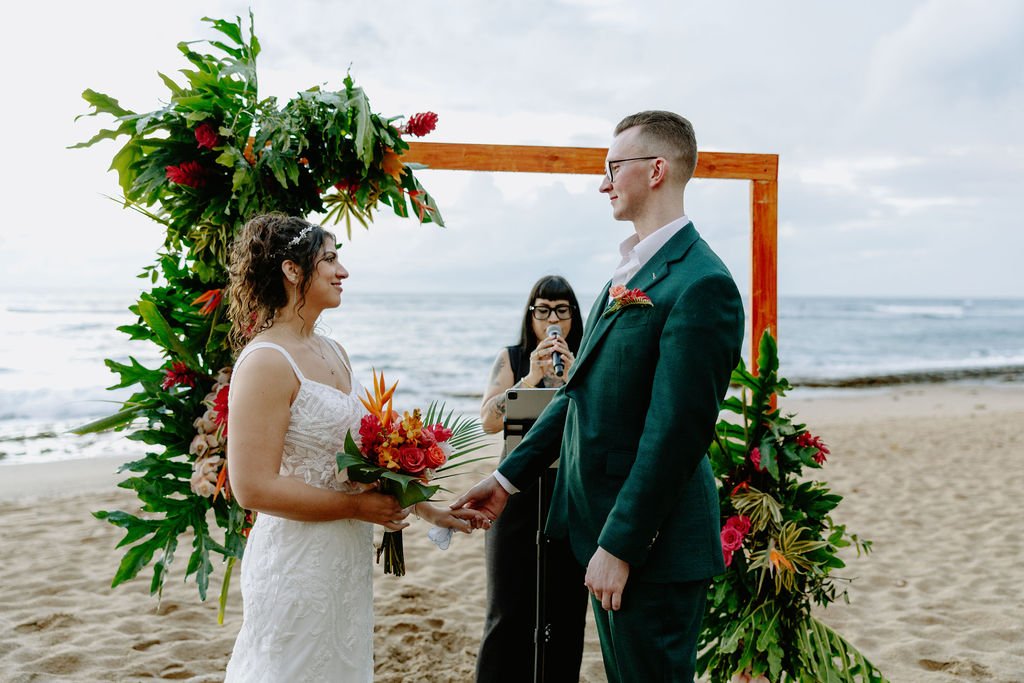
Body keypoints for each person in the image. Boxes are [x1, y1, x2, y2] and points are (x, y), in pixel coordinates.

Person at [453, 111, 745, 682]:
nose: (603, 182)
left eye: (613, 166)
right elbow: (577, 397)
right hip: (601, 536)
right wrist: (508, 478)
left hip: (646, 552)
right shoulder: (630, 272)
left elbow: (676, 434)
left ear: (656, 170)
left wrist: (621, 546)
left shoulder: (701, 284)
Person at [222, 213, 486, 682]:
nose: (342, 271)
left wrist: (429, 509)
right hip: (296, 557)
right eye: (329, 259)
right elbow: (253, 487)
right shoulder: (266, 361)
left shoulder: (333, 350)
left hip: (344, 555)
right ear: (291, 271)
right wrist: (357, 507)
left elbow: (368, 458)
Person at [476, 275, 588, 683]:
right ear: (531, 315)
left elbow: (606, 417)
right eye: (543, 310)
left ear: (574, 316)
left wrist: (575, 376)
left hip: (570, 490)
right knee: (508, 606)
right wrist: (531, 379)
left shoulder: (588, 357)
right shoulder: (512, 358)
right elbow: (487, 420)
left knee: (567, 608)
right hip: (516, 491)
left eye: (561, 310)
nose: (552, 319)